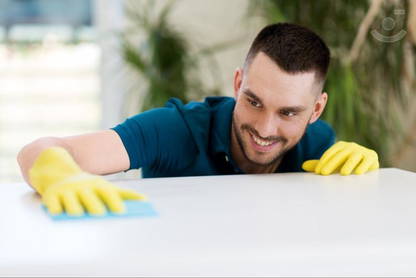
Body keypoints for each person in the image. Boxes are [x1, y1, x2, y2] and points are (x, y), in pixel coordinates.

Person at [17, 23, 379, 217]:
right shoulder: (177, 129)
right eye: (253, 101)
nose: (266, 129)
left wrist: (367, 184)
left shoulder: (319, 145)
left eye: (288, 113)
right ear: (238, 84)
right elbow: (41, 150)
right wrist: (57, 174)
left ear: (315, 110)